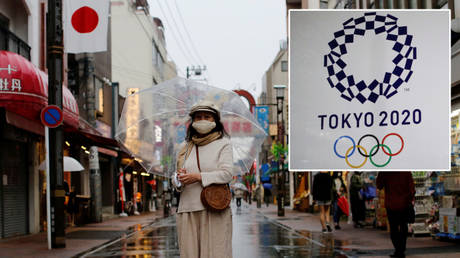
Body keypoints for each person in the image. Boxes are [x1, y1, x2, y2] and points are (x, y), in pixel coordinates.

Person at [172, 100, 233, 258]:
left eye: (207, 116)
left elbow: (227, 174)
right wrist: (180, 179)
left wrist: (198, 177)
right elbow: (176, 177)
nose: (202, 120)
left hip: (214, 208)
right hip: (188, 209)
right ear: (192, 121)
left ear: (215, 121)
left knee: (216, 253)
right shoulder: (184, 147)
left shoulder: (223, 144)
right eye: (198, 117)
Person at [377, 172, 415, 258]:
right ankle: (401, 249)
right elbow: (412, 189)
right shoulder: (406, 172)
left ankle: (398, 249)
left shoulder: (386, 172)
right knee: (403, 226)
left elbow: (379, 185)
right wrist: (410, 199)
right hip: (404, 204)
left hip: (391, 204)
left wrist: (381, 172)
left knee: (393, 228)